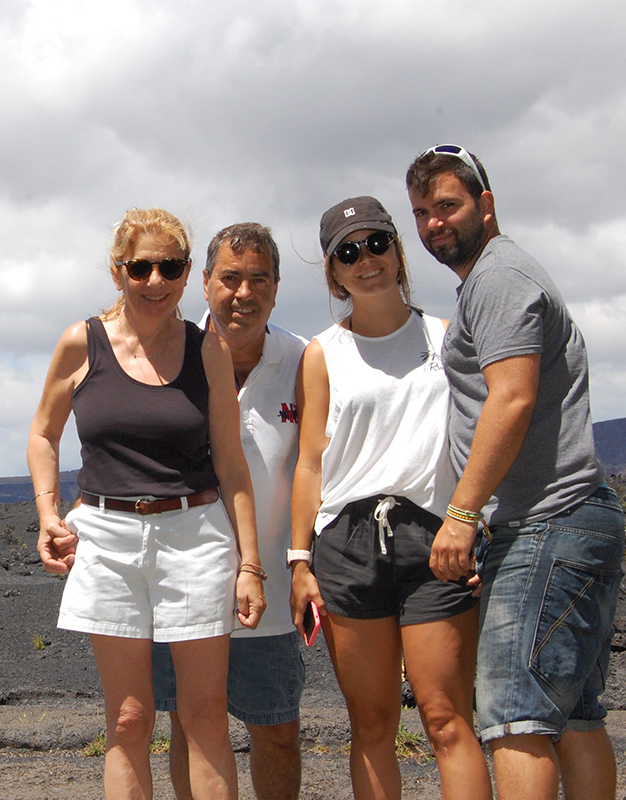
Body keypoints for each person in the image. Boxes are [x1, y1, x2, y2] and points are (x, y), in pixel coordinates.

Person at [406, 144, 625, 800]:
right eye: (422, 212)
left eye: (447, 205)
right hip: (573, 516)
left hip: (544, 524)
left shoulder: (499, 277)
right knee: (575, 715)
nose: (434, 223)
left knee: (515, 717)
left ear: (486, 204)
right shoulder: (498, 277)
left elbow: (513, 396)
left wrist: (463, 513)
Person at [27, 207, 266, 800]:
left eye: (170, 267)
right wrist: (48, 512)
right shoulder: (80, 343)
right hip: (105, 538)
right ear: (118, 272)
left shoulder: (206, 349)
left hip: (196, 535)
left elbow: (233, 464)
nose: (155, 281)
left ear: (188, 274)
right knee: (129, 720)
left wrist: (250, 564)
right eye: (141, 268)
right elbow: (42, 434)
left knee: (205, 716)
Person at [290, 196, 492, 800]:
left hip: (437, 542)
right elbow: (309, 463)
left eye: (376, 243)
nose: (365, 260)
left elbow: (480, 439)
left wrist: (479, 525)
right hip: (348, 546)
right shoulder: (322, 354)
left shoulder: (447, 338)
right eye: (347, 252)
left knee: (446, 718)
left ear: (397, 250)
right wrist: (299, 561)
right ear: (333, 271)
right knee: (372, 723)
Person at [152, 222, 308, 800]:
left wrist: (302, 563)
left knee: (278, 732)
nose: (244, 292)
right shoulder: (174, 355)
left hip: (268, 589)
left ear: (276, 286)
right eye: (231, 278)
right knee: (190, 728)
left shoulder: (303, 361)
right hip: (182, 583)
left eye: (258, 279)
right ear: (206, 284)